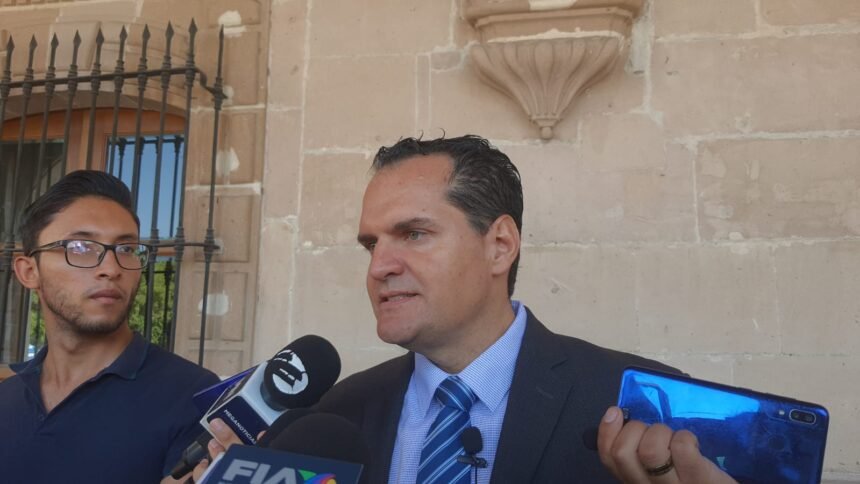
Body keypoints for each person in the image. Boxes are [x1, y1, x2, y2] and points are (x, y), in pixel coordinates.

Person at [198, 135, 737, 483]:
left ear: (499, 245)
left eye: (413, 234)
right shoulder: (338, 415)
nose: (379, 266)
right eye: (371, 244)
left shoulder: (635, 408)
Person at [0, 170, 219, 484]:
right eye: (80, 247)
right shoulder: (8, 394)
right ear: (28, 271)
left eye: (126, 249)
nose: (111, 268)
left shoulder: (193, 395)